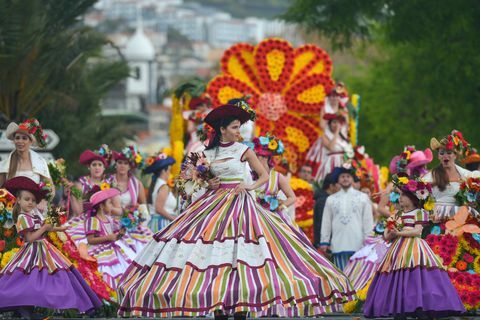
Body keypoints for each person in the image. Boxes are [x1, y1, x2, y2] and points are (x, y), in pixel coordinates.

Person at [117, 100, 355, 318]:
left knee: (242, 255)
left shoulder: (244, 150)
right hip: (212, 205)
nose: (238, 132)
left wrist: (249, 185)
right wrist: (205, 183)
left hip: (241, 206)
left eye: (239, 127)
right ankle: (217, 305)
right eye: (234, 127)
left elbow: (263, 176)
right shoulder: (205, 153)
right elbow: (187, 185)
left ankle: (242, 307)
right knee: (211, 255)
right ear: (221, 130)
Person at [363, 175, 465, 319]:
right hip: (397, 249)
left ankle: (420, 306)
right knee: (398, 276)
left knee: (417, 276)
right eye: (400, 195)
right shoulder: (397, 214)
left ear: (413, 198)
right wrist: (390, 232)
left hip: (415, 247)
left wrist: (399, 232)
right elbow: (386, 235)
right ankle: (400, 308)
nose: (400, 198)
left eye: (404, 195)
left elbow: (418, 231)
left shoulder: (419, 213)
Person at [0, 177, 102, 317]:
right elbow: (29, 238)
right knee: (29, 278)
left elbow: (46, 227)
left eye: (33, 200)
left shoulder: (34, 215)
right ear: (18, 200)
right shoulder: (22, 217)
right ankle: (24, 308)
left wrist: (59, 229)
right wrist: (44, 229)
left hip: (44, 248)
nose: (30, 202)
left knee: (50, 276)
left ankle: (38, 306)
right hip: (31, 251)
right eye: (27, 199)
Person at [320, 166, 374, 270]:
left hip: (359, 245)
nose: (345, 179)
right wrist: (324, 241)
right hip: (338, 244)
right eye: (342, 176)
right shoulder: (330, 199)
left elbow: (368, 221)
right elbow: (326, 222)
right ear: (338, 179)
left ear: (353, 179)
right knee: (342, 278)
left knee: (357, 279)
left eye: (348, 176)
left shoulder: (363, 197)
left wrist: (369, 241)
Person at [64, 146, 113, 261]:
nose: (97, 168)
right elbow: (78, 211)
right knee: (80, 242)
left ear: (104, 168)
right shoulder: (81, 184)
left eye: (100, 165)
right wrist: (72, 194)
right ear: (88, 167)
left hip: (104, 219)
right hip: (85, 219)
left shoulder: (108, 183)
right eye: (94, 165)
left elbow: (111, 209)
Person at [85, 187, 136, 290]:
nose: (112, 206)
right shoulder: (93, 220)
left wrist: (120, 233)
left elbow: (114, 236)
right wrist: (108, 237)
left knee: (124, 267)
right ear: (101, 206)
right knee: (107, 271)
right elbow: (90, 240)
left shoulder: (109, 219)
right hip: (100, 251)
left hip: (112, 249)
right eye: (109, 203)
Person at [0, 119, 53, 212]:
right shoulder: (5, 165)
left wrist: (44, 201)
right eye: (17, 138)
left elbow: (51, 188)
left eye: (24, 138)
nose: (20, 141)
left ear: (30, 141)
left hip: (35, 213)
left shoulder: (40, 162)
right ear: (14, 140)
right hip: (11, 214)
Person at [424, 130, 473, 221]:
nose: (445, 156)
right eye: (442, 153)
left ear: (455, 155)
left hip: (459, 217)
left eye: (449, 153)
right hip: (437, 217)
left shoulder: (466, 175)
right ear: (438, 156)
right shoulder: (430, 176)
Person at [110, 147, 152, 251]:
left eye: (125, 163)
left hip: (132, 226)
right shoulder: (108, 182)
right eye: (120, 162)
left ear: (130, 166)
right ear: (115, 164)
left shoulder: (137, 184)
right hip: (111, 224)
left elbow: (144, 208)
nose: (122, 166)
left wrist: (139, 221)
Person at [253, 135, 296, 218]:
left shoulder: (277, 177)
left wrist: (279, 206)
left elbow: (292, 197)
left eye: (261, 156)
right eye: (255, 156)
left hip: (271, 218)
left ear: (267, 158)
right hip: (251, 217)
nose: (256, 158)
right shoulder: (248, 173)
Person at [313, 114, 352, 183]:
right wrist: (337, 132)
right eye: (334, 122)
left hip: (344, 161)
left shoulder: (344, 136)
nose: (336, 125)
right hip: (332, 162)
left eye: (338, 122)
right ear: (330, 124)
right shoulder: (325, 136)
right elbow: (331, 147)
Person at [144, 152, 177, 232]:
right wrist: (174, 219)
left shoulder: (156, 185)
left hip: (157, 222)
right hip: (162, 223)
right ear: (163, 171)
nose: (169, 173)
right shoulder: (163, 187)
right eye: (169, 170)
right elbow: (159, 208)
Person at [312, 173, 337, 248]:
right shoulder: (324, 201)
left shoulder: (326, 199)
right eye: (338, 184)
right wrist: (325, 244)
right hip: (325, 247)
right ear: (331, 186)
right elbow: (322, 224)